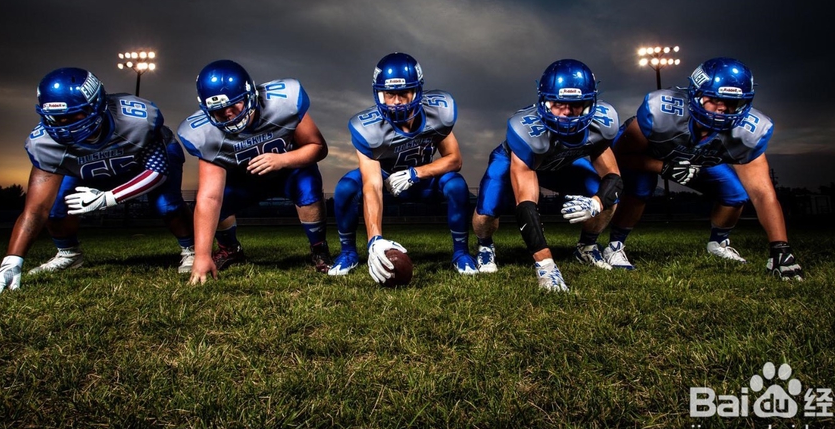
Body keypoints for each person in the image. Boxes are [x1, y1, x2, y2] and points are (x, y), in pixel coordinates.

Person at [0, 67, 195, 294]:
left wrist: (108, 198)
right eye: (57, 118)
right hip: (87, 171)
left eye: (74, 115)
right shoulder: (44, 144)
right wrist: (12, 261)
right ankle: (69, 254)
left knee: (167, 204)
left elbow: (158, 172)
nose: (65, 125)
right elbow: (36, 210)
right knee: (56, 207)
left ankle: (191, 249)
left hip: (141, 163)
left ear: (97, 104)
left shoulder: (137, 120)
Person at [602, 57, 803, 280]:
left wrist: (780, 249)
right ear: (696, 94)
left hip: (698, 160)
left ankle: (718, 242)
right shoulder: (661, 111)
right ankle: (615, 245)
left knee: (735, 194)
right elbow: (621, 156)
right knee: (641, 187)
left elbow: (763, 193)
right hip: (650, 155)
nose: (723, 108)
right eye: (715, 98)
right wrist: (663, 167)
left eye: (732, 102)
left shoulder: (749, 132)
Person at [471, 59, 624, 292]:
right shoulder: (525, 130)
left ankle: (586, 247)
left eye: (576, 104)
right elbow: (526, 205)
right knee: (486, 211)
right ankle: (484, 246)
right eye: (558, 103)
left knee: (609, 196)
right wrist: (546, 265)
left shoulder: (603, 123)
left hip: (563, 164)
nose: (566, 112)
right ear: (544, 101)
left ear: (590, 103)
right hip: (520, 160)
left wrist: (596, 202)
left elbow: (613, 177)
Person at [329, 52, 479, 283]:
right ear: (379, 94)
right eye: (390, 94)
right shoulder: (367, 128)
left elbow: (454, 159)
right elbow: (371, 184)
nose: (397, 101)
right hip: (385, 180)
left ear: (416, 92)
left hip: (422, 179)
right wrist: (375, 239)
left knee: (456, 185)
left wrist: (416, 173)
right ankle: (349, 252)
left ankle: (461, 252)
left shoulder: (437, 113)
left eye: (403, 94)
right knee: (346, 187)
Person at [177, 59, 330, 285]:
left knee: (308, 184)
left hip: (287, 172)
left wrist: (283, 159)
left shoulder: (284, 102)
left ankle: (319, 248)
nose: (229, 114)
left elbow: (318, 147)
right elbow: (210, 197)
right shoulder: (203, 133)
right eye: (219, 111)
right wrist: (201, 256)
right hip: (243, 180)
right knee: (214, 202)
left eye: (234, 105)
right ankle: (229, 248)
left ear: (250, 95)